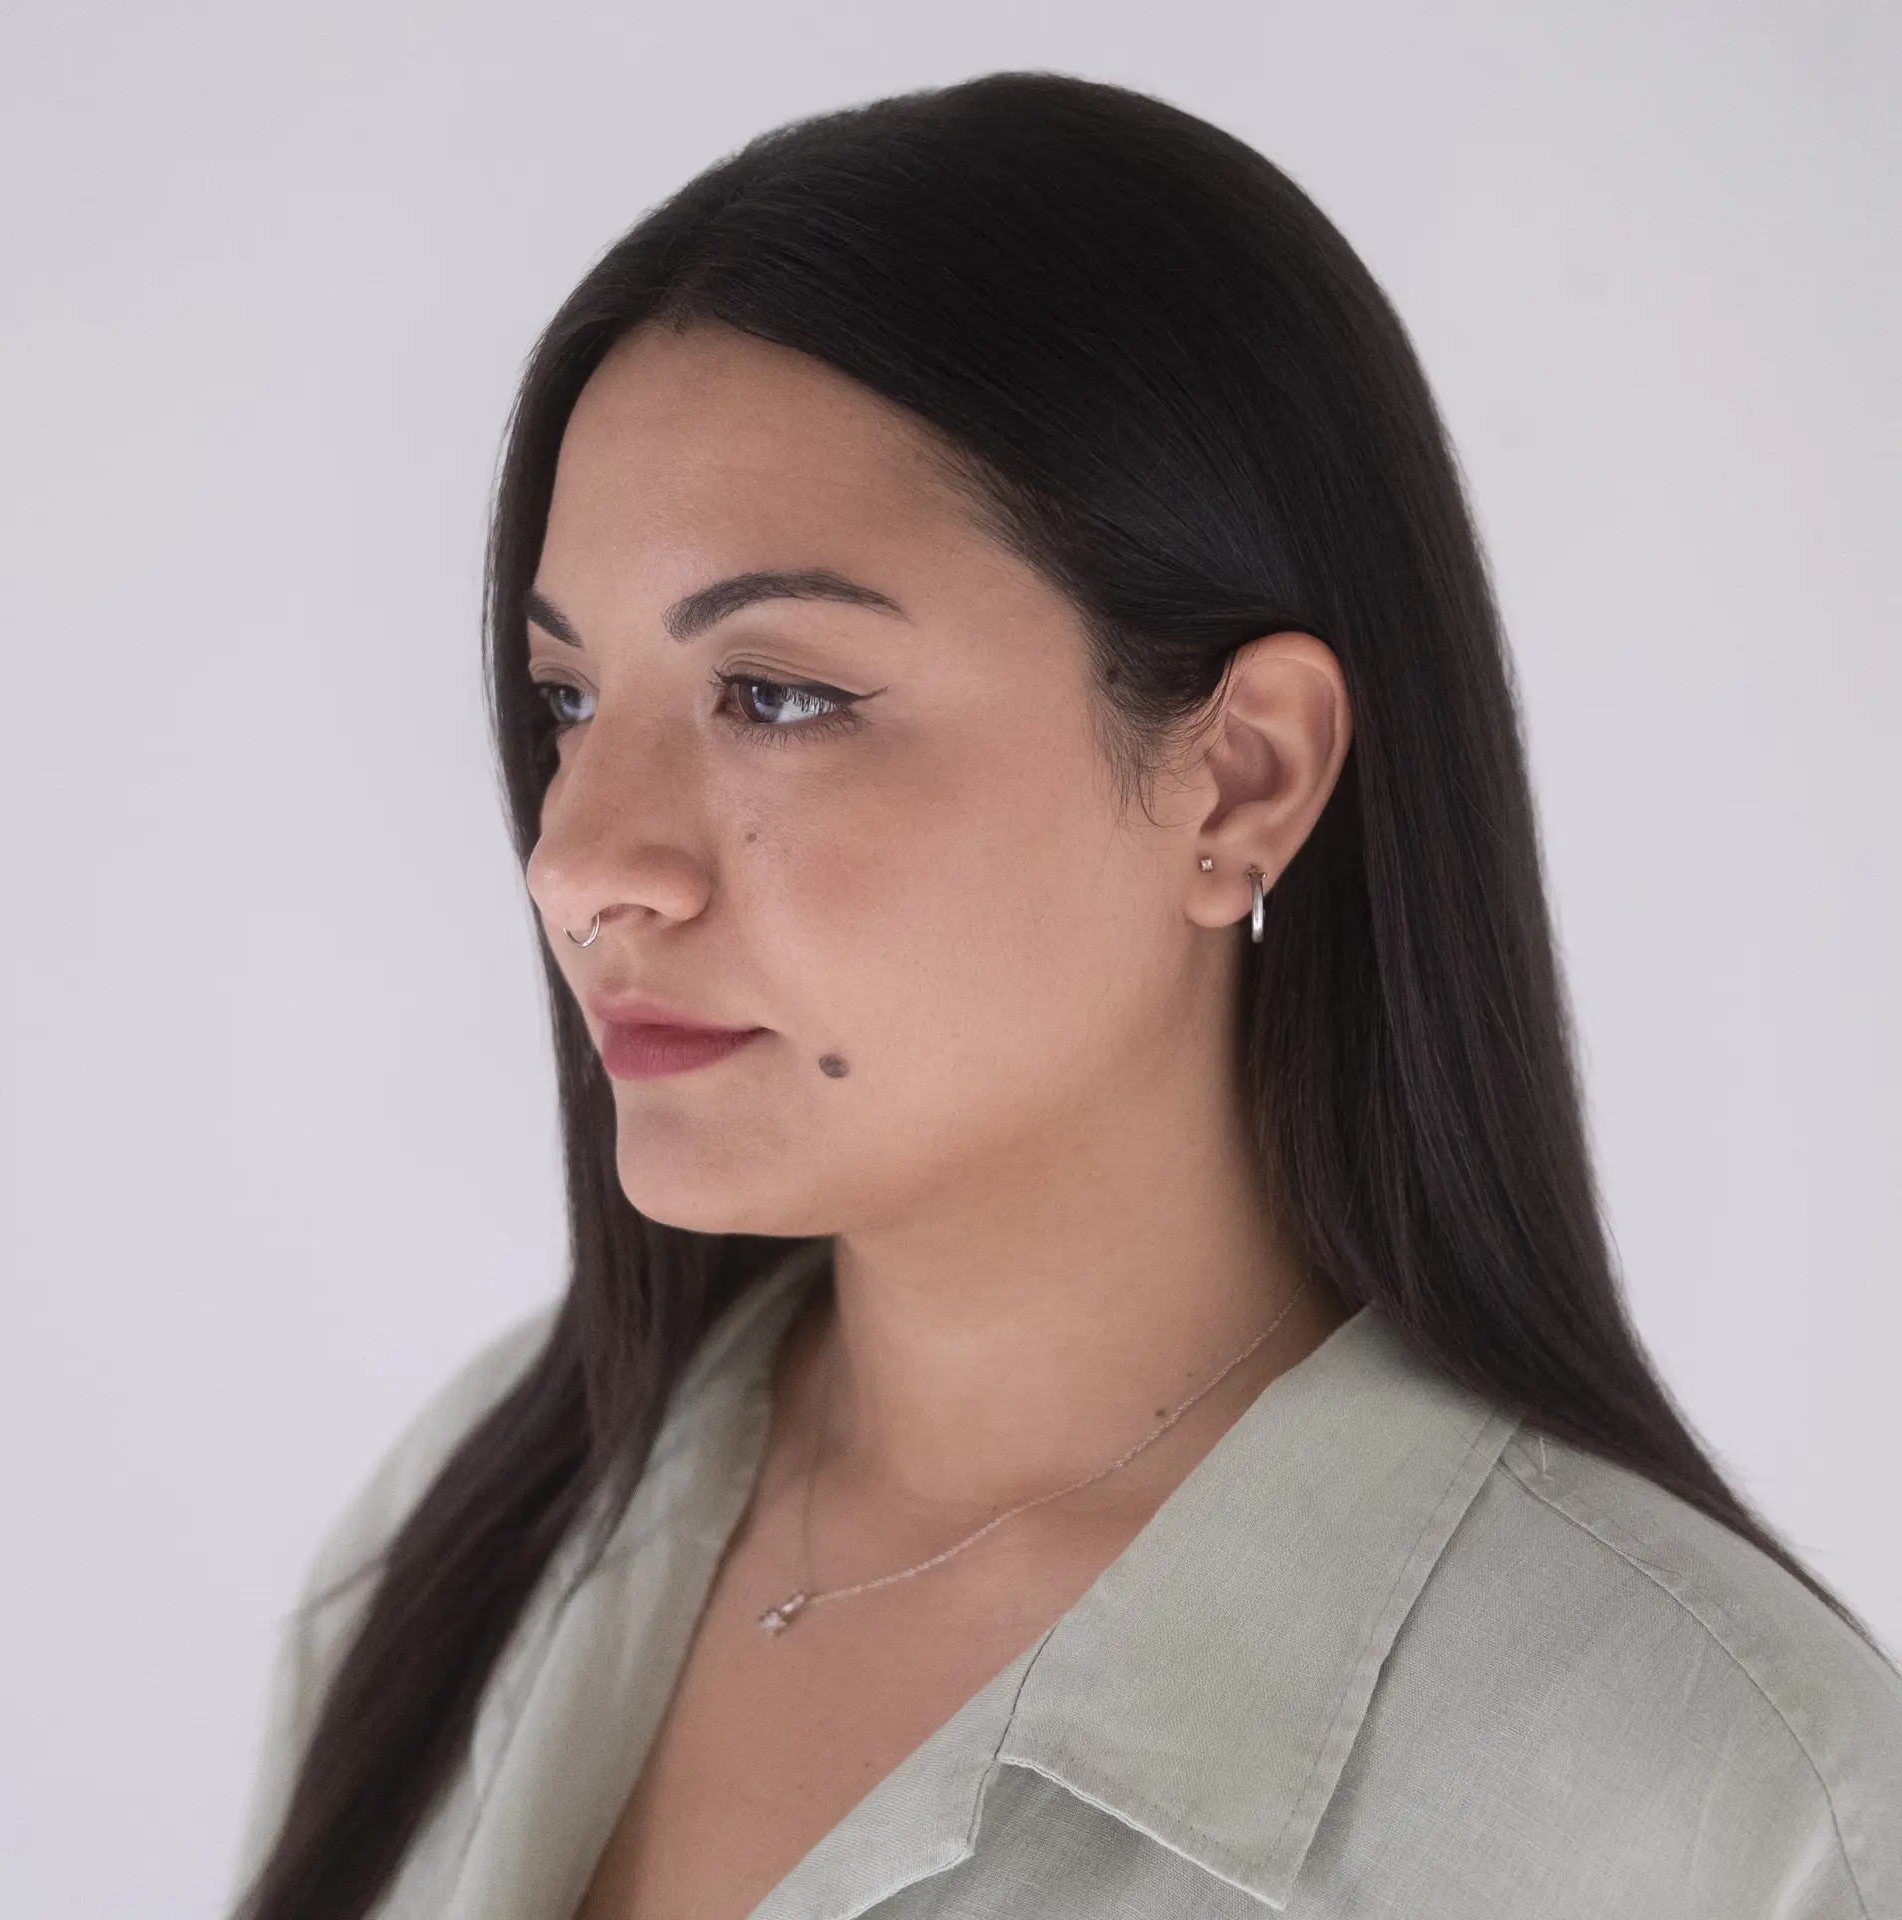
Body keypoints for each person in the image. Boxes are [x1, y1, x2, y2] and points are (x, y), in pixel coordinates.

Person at [227, 71, 1902, 1920]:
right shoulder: (476, 1532)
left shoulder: (1719, 1822)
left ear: (1243, 776)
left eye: (779, 694)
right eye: (567, 700)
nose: (582, 858)